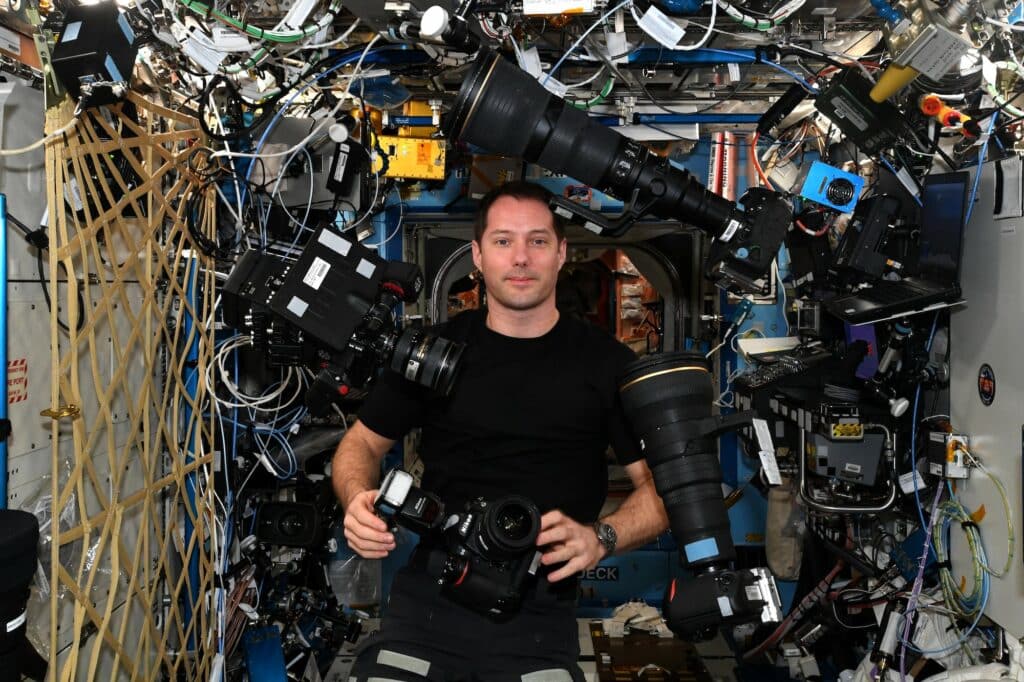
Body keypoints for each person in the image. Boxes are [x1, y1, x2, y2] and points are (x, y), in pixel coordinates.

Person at [332, 180, 669, 681]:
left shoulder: (608, 365)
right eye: (503, 241)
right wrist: (357, 497)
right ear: (477, 255)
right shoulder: (434, 353)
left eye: (537, 241)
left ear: (561, 254)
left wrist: (602, 536)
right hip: (431, 597)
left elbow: (662, 491)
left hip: (537, 608)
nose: (521, 258)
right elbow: (360, 442)